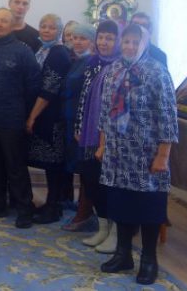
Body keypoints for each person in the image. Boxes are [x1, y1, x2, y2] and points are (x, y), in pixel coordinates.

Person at [97, 24, 178, 285]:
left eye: (136, 42)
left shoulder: (157, 72)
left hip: (146, 154)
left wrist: (163, 155)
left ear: (145, 44)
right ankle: (123, 254)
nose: (130, 46)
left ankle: (149, 259)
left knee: (148, 207)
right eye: (127, 41)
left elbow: (168, 116)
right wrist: (102, 144)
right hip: (118, 153)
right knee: (120, 203)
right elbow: (105, 111)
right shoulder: (113, 70)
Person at [0, 8, 41, 228]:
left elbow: (33, 86)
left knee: (16, 167)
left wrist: (25, 114)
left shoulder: (23, 51)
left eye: (4, 21)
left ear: (12, 24)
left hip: (13, 120)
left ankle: (24, 208)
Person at [74, 20, 121, 253]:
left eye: (109, 38)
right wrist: (79, 127)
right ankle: (102, 226)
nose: (104, 42)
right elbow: (84, 97)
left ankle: (115, 232)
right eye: (101, 37)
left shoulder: (121, 68)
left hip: (111, 136)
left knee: (111, 184)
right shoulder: (92, 63)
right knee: (91, 180)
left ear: (118, 41)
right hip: (88, 134)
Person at [26, 14, 71, 224]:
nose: (46, 30)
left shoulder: (59, 53)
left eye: (51, 27)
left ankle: (53, 207)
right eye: (43, 26)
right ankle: (51, 204)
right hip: (42, 114)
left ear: (59, 31)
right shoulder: (42, 50)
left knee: (53, 165)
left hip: (51, 116)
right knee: (48, 164)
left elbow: (48, 89)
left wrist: (32, 116)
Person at [60, 23, 98, 232]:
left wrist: (81, 126)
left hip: (82, 124)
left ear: (92, 42)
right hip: (70, 120)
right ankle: (81, 211)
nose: (77, 42)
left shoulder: (92, 63)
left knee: (85, 169)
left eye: (83, 38)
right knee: (77, 167)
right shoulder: (76, 61)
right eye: (75, 38)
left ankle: (85, 213)